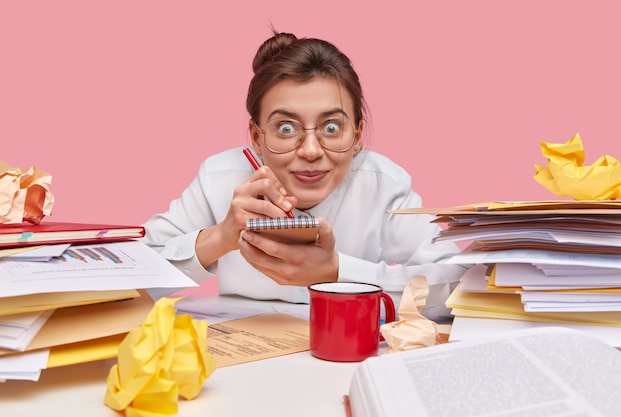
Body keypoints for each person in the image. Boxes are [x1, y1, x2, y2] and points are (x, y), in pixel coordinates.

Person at [142, 30, 466, 319]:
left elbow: (459, 283)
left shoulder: (384, 184)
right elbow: (128, 279)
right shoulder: (218, 178)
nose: (310, 150)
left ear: (356, 137)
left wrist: (338, 272)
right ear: (256, 138)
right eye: (285, 128)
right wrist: (221, 236)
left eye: (331, 127)